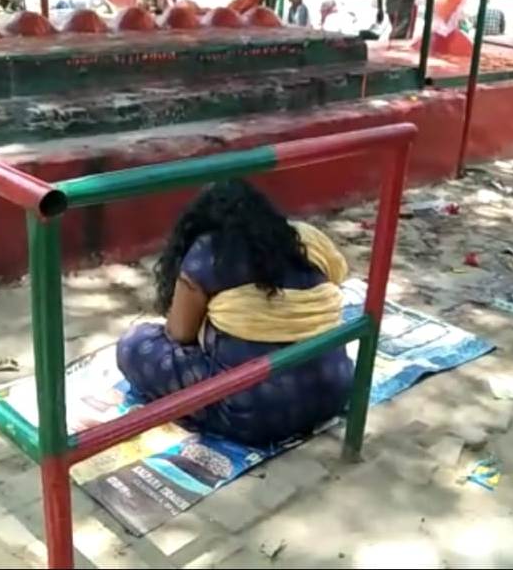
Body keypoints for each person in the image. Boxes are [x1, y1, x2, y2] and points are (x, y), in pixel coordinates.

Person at [116, 180, 354, 448]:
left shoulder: (208, 252)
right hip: (335, 389)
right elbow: (338, 275)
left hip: (258, 414)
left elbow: (179, 333)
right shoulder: (307, 239)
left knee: (133, 345)